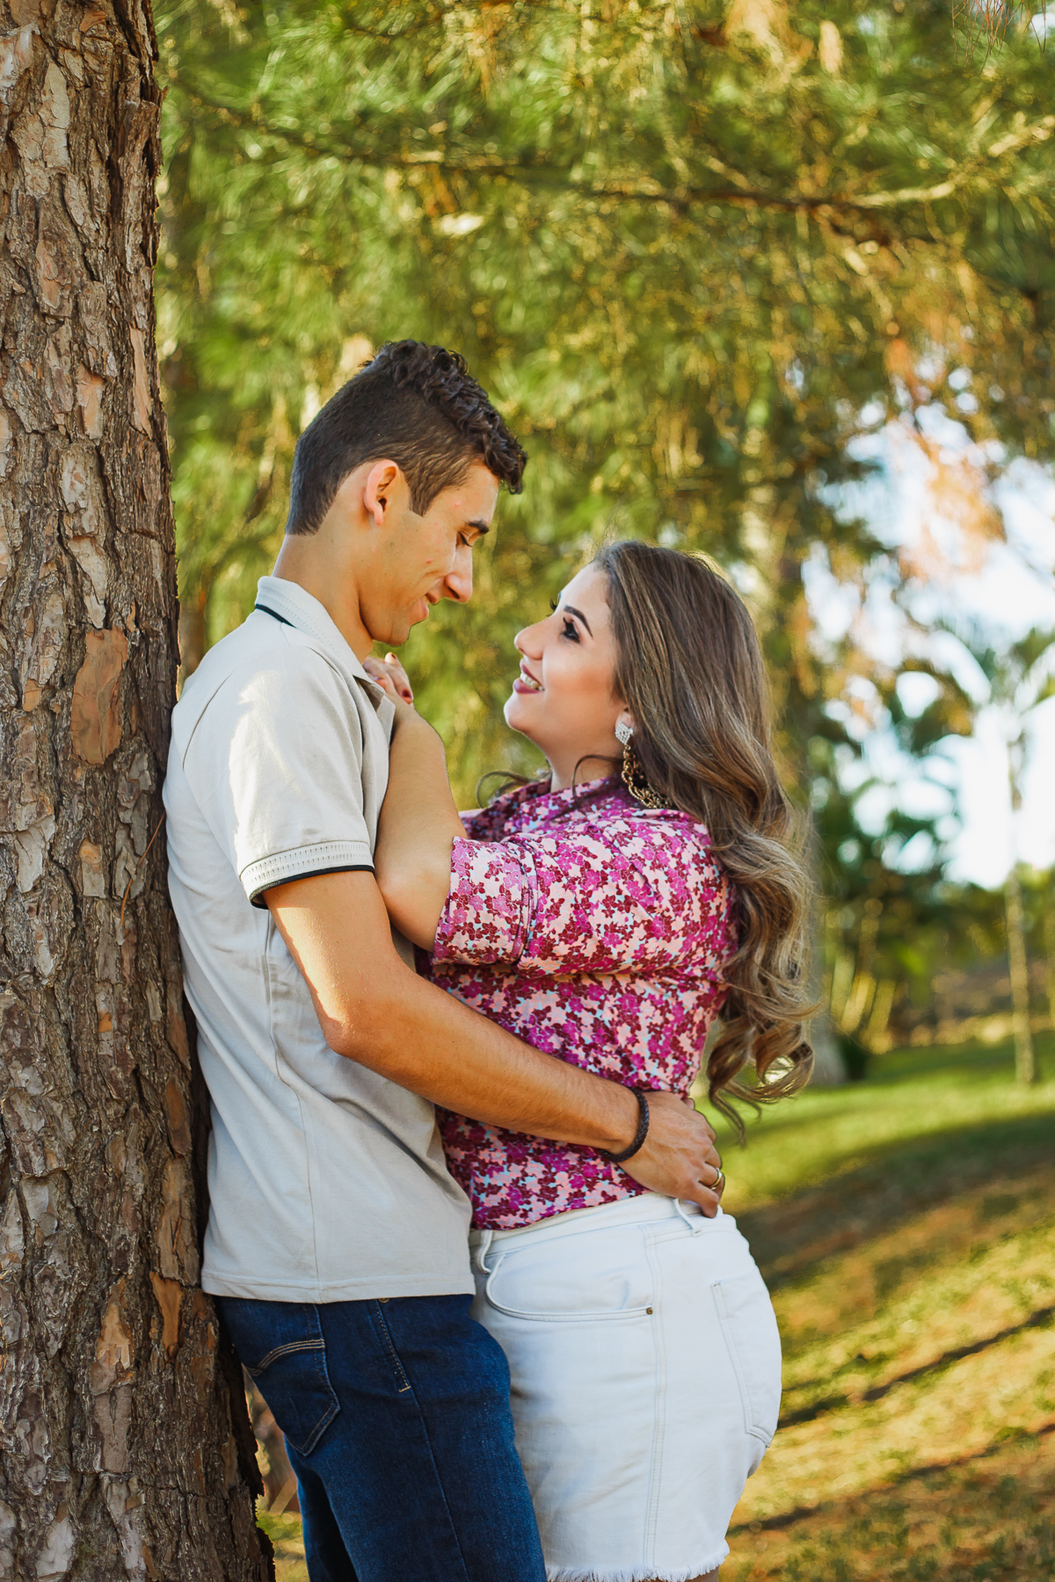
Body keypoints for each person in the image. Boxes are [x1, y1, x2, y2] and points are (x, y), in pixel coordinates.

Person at [163, 344, 722, 1582]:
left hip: (372, 1284)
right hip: (363, 1296)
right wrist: (630, 1122)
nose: (468, 582)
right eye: (459, 534)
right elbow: (362, 1006)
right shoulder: (277, 695)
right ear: (376, 495)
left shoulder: (330, 690)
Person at [367, 539, 814, 1582]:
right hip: (562, 1293)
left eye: (569, 629)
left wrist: (410, 733)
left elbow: (421, 883)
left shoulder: (658, 853)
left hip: (623, 1309)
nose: (526, 637)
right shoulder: (543, 818)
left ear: (640, 703)